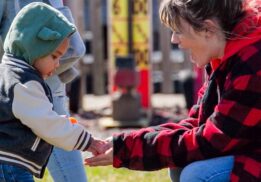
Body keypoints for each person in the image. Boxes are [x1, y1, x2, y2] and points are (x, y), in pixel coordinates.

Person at [85, 0, 261, 181]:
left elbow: (211, 141)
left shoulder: (252, 64)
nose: (174, 39)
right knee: (179, 163)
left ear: (208, 29)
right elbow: (198, 123)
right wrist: (124, 143)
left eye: (178, 31)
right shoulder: (226, 55)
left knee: (198, 174)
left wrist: (129, 149)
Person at [0, 2, 106, 181]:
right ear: (35, 49)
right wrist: (88, 141)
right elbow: (47, 125)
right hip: (10, 166)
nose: (58, 64)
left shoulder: (7, 71)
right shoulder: (24, 84)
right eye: (54, 56)